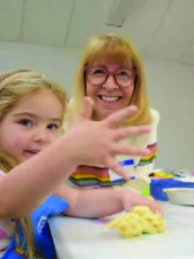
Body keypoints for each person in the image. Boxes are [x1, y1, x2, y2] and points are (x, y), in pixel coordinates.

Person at [0, 69, 162, 259]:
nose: (42, 136)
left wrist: (123, 198)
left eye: (52, 126)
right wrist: (67, 151)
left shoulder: (43, 182)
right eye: (26, 122)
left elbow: (76, 201)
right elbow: (7, 200)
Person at [68, 33, 160, 194]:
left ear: (136, 83)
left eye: (123, 74)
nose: (110, 85)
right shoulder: (62, 115)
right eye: (98, 72)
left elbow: (141, 176)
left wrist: (117, 206)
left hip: (117, 210)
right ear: (83, 78)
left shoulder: (148, 120)